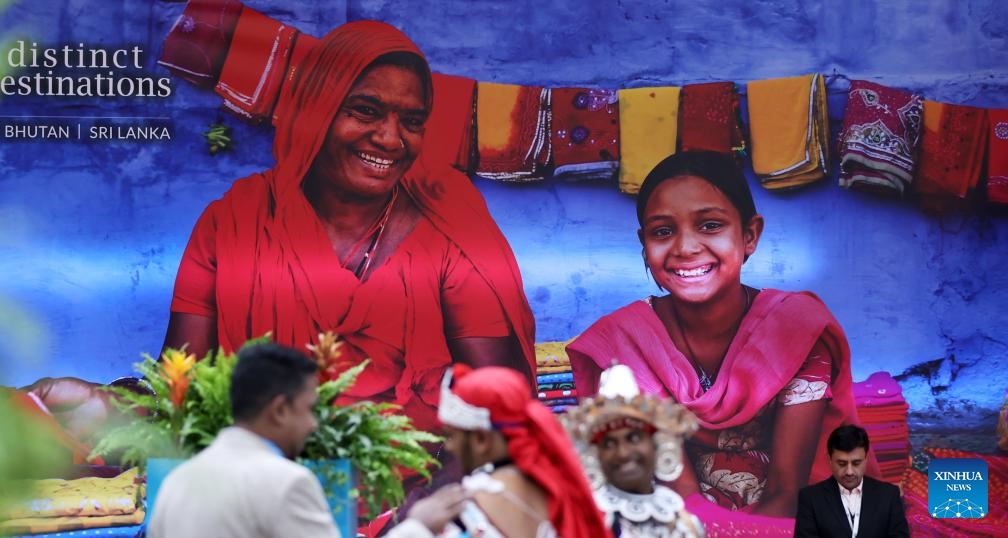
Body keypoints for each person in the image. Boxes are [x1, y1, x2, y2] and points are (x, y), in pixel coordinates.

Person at [163, 20, 536, 438]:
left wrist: (427, 494)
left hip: (417, 483)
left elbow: (497, 414)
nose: (392, 140)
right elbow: (180, 390)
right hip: (262, 479)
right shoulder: (233, 222)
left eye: (412, 121)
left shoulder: (453, 231)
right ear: (316, 109)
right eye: (366, 111)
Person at [567, 151, 875, 522]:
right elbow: (682, 498)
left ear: (749, 235)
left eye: (710, 225)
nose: (685, 248)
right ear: (644, 246)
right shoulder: (625, 345)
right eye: (663, 231)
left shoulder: (793, 330)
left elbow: (787, 493)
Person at [148, 342, 339, 538]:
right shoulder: (289, 483)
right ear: (280, 410)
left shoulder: (176, 482)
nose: (313, 424)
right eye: (309, 409)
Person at [436, 365, 611, 537]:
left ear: (482, 440)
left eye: (451, 436)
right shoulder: (562, 487)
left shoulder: (469, 506)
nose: (450, 446)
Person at [561, 364, 706, 537]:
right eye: (609, 443)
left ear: (657, 443)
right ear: (595, 454)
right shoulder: (581, 525)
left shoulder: (685, 525)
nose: (623, 453)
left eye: (634, 438)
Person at [795, 425, 909, 538]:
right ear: (829, 460)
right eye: (842, 464)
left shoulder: (888, 495)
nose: (849, 472)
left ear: (866, 459)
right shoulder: (811, 497)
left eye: (856, 463)